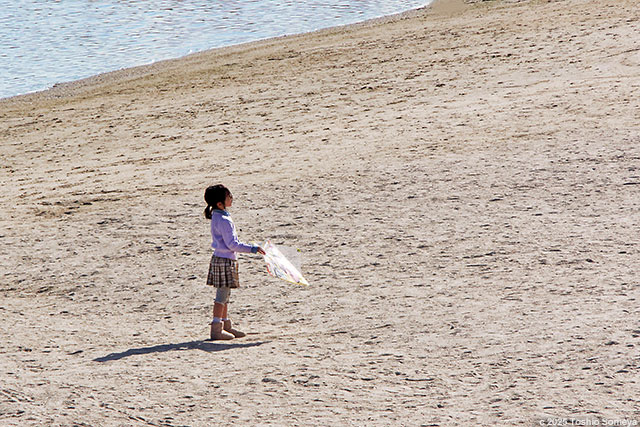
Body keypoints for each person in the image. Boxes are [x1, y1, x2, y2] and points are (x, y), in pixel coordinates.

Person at [204, 184, 265, 340]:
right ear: (219, 203)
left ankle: (225, 325)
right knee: (222, 295)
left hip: (223, 259)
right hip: (224, 260)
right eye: (228, 196)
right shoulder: (223, 219)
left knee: (225, 294)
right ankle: (216, 328)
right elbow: (232, 244)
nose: (231, 197)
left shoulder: (219, 216)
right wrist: (253, 248)